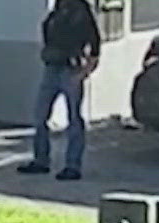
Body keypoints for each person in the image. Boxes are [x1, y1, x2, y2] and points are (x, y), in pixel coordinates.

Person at [16, 0, 100, 181]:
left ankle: (73, 166)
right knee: (40, 116)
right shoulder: (57, 8)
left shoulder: (81, 9)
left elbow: (95, 43)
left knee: (74, 119)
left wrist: (85, 72)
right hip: (51, 67)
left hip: (71, 68)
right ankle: (41, 160)